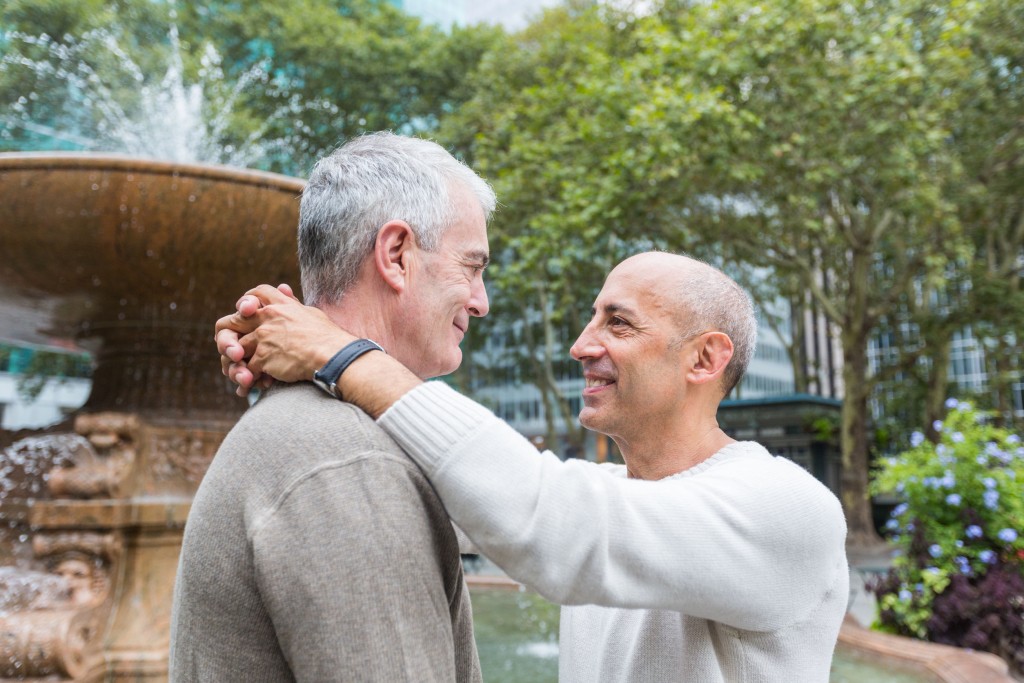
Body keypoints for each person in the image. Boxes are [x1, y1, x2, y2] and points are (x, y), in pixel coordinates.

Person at [217, 251, 850, 682]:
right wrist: (292, 361)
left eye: (619, 323)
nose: (581, 345)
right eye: (592, 318)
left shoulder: (787, 508)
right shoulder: (607, 493)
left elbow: (551, 525)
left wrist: (341, 355)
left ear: (705, 359)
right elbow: (393, 493)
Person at [170, 131, 495, 682]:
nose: (481, 301)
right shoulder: (349, 458)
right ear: (396, 256)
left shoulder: (320, 434)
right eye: (472, 266)